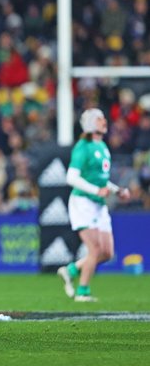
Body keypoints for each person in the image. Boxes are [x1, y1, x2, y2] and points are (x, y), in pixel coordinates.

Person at [58, 109, 130, 302]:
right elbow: (71, 177)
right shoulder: (83, 146)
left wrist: (117, 190)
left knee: (107, 253)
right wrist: (96, 191)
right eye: (99, 119)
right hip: (83, 202)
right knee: (95, 250)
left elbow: (101, 180)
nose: (104, 121)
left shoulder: (103, 146)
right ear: (90, 123)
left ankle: (71, 270)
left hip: (98, 203)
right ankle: (82, 291)